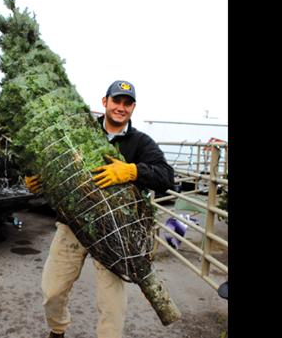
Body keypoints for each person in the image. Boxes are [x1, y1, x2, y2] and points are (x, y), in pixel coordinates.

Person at [25, 80, 175, 338]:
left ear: (133, 108)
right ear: (105, 102)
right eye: (116, 101)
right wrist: (37, 180)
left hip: (117, 234)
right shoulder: (79, 133)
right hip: (73, 225)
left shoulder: (140, 143)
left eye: (127, 104)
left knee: (112, 306)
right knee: (52, 291)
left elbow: (166, 177)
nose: (121, 107)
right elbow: (49, 161)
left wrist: (132, 171)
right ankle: (58, 328)